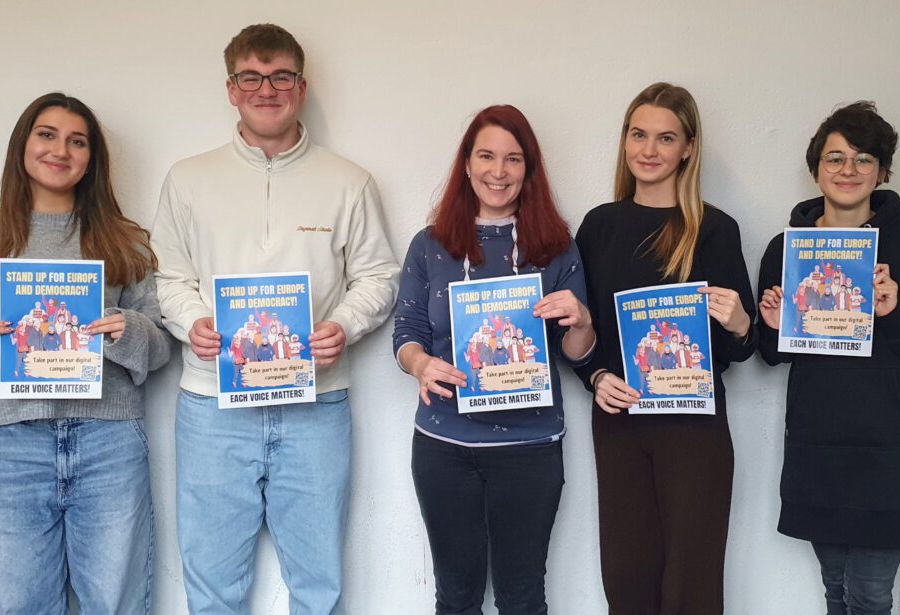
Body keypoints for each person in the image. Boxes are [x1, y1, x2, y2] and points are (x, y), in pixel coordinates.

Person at [151, 23, 399, 614]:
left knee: (318, 584)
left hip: (317, 404)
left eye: (281, 76)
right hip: (212, 407)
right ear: (231, 89)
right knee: (212, 586)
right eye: (252, 78)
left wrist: (343, 325)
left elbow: (379, 276)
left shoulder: (349, 181)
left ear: (302, 87)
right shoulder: (187, 179)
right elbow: (169, 278)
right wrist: (194, 322)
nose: (267, 89)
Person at [0, 92, 170, 613]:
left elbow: (162, 346)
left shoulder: (126, 242)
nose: (60, 150)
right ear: (22, 146)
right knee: (19, 605)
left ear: (92, 159)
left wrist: (128, 331)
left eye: (78, 141)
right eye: (46, 135)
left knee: (115, 604)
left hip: (108, 442)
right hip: (10, 446)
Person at [757, 102, 900, 615]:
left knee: (870, 596)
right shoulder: (787, 250)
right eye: (835, 158)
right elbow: (770, 355)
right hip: (817, 452)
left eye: (863, 158)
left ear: (883, 171)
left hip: (891, 458)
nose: (848, 170)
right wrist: (777, 327)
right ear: (816, 170)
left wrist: (894, 314)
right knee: (835, 589)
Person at [393, 104, 595, 614]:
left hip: (530, 448)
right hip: (444, 446)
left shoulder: (557, 248)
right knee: (456, 596)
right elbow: (407, 333)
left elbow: (574, 356)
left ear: (529, 168)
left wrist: (582, 323)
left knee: (521, 596)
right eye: (486, 156)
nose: (498, 172)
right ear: (466, 164)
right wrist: (419, 364)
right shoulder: (430, 245)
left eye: (513, 159)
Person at [574, 82, 756, 614]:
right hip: (620, 422)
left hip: (693, 427)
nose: (649, 150)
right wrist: (595, 377)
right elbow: (580, 334)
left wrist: (741, 323)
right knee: (626, 578)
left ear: (689, 148)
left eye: (666, 138)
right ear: (624, 140)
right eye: (638, 135)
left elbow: (740, 351)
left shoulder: (715, 229)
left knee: (691, 583)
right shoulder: (599, 227)